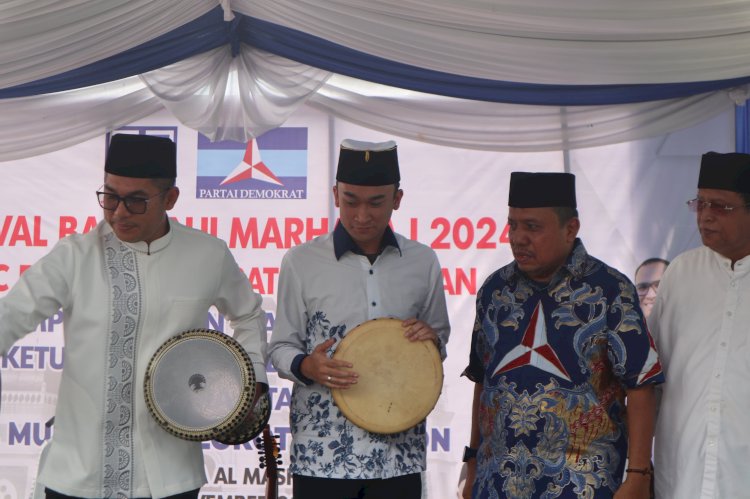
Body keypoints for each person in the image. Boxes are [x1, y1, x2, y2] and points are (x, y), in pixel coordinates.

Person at [0, 134, 268, 499]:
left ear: (170, 199)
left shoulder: (207, 254)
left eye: (136, 200)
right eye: (110, 196)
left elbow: (249, 314)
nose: (119, 212)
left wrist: (248, 382)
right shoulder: (75, 256)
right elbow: (11, 313)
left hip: (170, 476)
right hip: (79, 473)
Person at [462, 172, 664, 499]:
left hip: (583, 486)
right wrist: (471, 462)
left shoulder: (610, 289)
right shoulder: (494, 291)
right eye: (512, 225)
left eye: (532, 227)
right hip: (497, 484)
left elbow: (641, 385)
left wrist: (639, 474)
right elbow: (482, 380)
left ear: (571, 228)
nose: (518, 237)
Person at [268, 139, 450, 499]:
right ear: (335, 194)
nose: (362, 215)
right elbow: (279, 347)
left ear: (397, 199)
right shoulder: (301, 262)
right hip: (322, 454)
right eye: (351, 201)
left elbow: (438, 342)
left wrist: (431, 340)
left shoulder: (422, 261)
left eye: (376, 202)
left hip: (398, 454)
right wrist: (307, 365)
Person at [650, 151, 750, 498]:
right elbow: (652, 374)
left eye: (721, 207)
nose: (706, 216)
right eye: (700, 203)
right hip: (681, 478)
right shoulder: (680, 272)